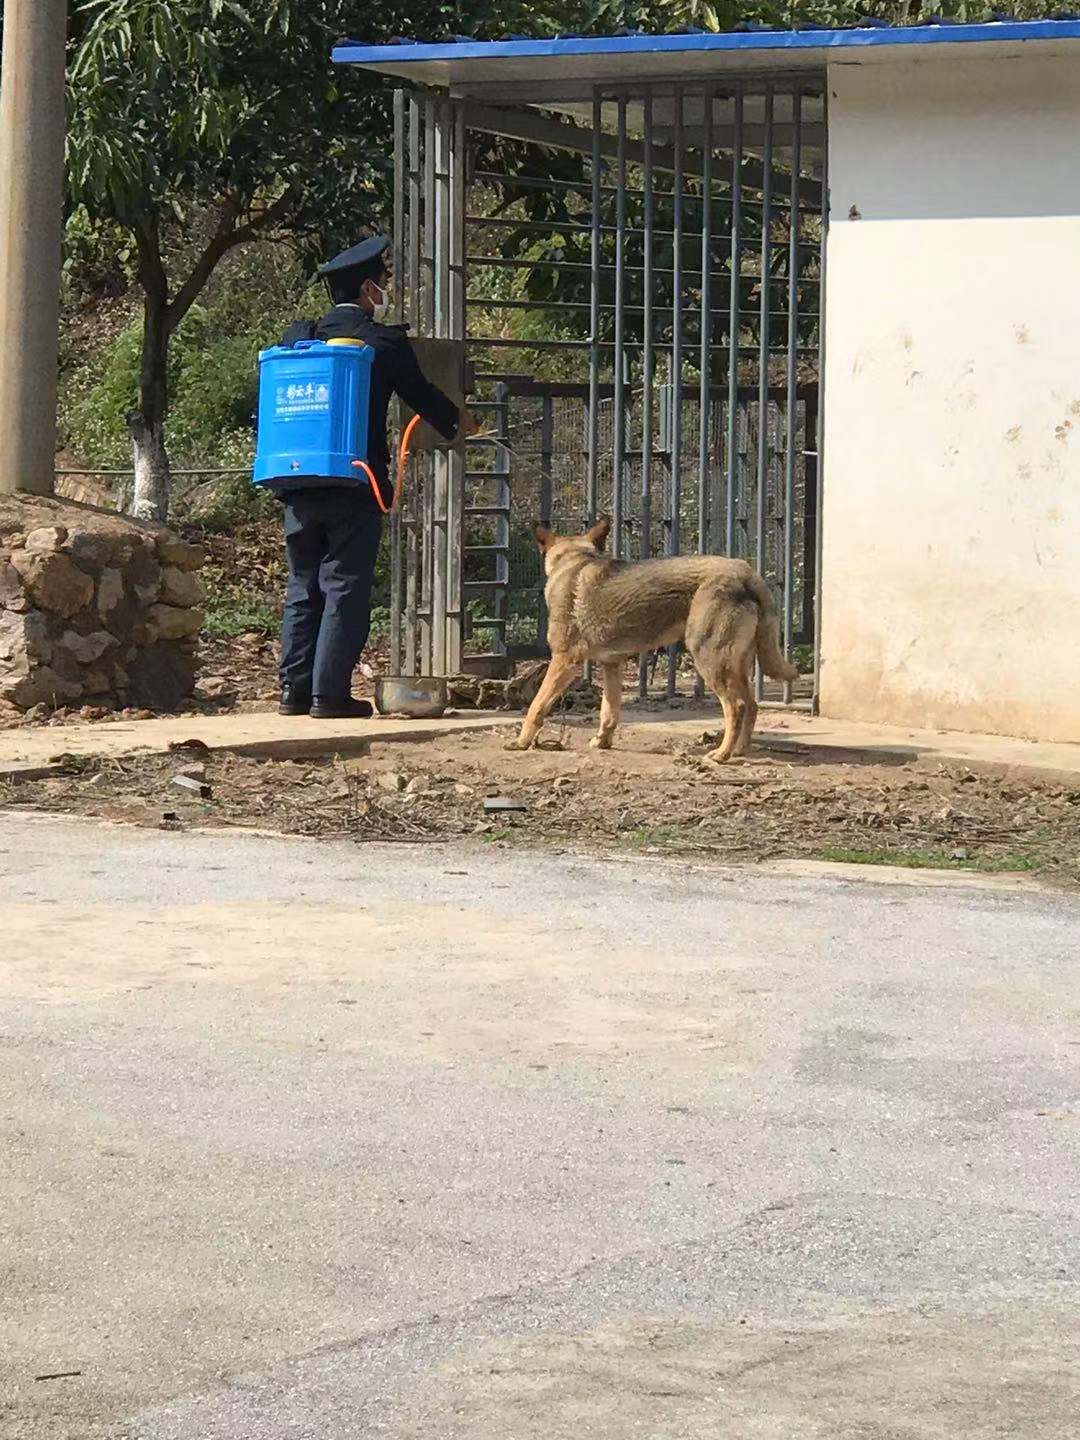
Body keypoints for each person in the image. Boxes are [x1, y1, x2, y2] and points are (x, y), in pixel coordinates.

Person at [277, 234, 473, 718]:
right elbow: (419, 393)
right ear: (368, 288)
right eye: (383, 281)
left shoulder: (298, 336)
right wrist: (457, 423)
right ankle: (329, 696)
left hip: (297, 481)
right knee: (344, 584)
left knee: (304, 585)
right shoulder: (383, 342)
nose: (386, 290)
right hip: (355, 480)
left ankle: (294, 693)